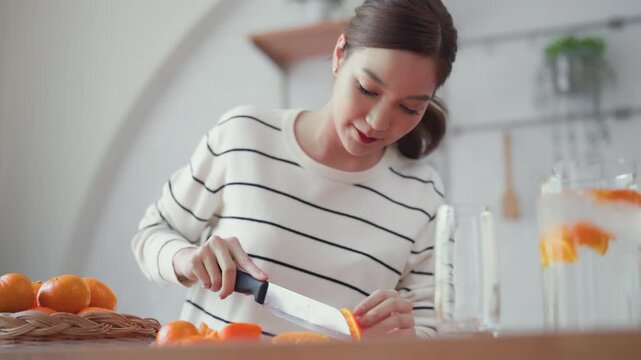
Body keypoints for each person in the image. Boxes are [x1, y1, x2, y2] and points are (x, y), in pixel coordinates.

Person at [132, 0, 457, 339]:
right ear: (339, 55)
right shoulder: (244, 135)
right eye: (367, 90)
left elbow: (434, 330)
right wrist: (188, 259)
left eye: (409, 108)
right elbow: (152, 233)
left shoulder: (422, 193)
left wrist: (403, 336)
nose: (378, 122)